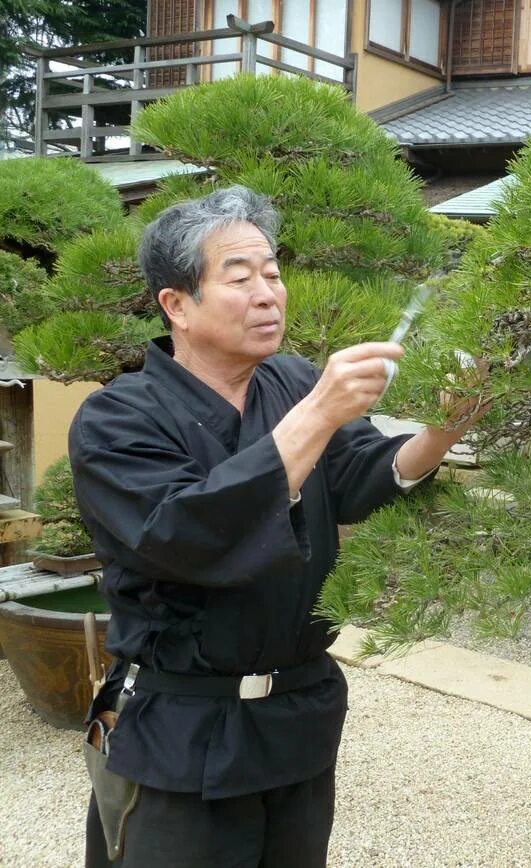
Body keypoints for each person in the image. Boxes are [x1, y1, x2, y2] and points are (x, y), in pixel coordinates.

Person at [69, 185, 484, 867]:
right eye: (240, 277)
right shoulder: (118, 417)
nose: (268, 293)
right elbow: (182, 533)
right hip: (184, 729)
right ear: (176, 303)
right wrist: (319, 414)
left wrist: (445, 427)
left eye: (273, 273)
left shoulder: (289, 381)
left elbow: (359, 477)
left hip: (299, 716)